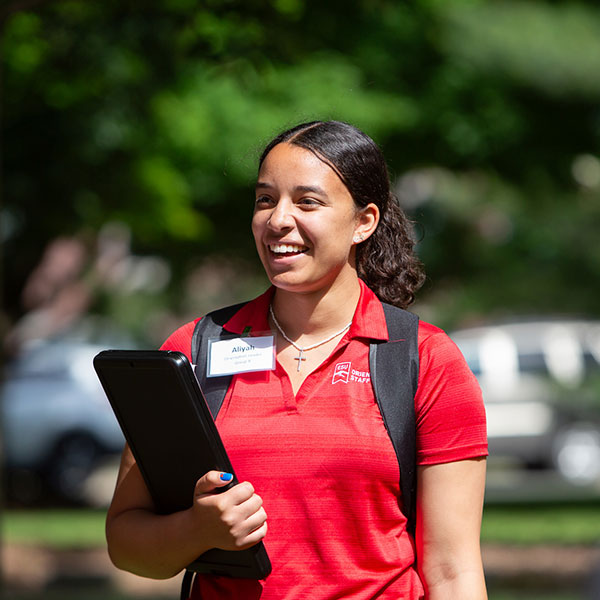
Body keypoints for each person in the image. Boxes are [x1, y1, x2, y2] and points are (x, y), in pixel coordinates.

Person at [106, 120, 488, 599]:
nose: (278, 220)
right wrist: (195, 530)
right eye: (266, 199)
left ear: (363, 221)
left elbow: (453, 571)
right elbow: (126, 543)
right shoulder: (192, 350)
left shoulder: (424, 360)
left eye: (307, 202)